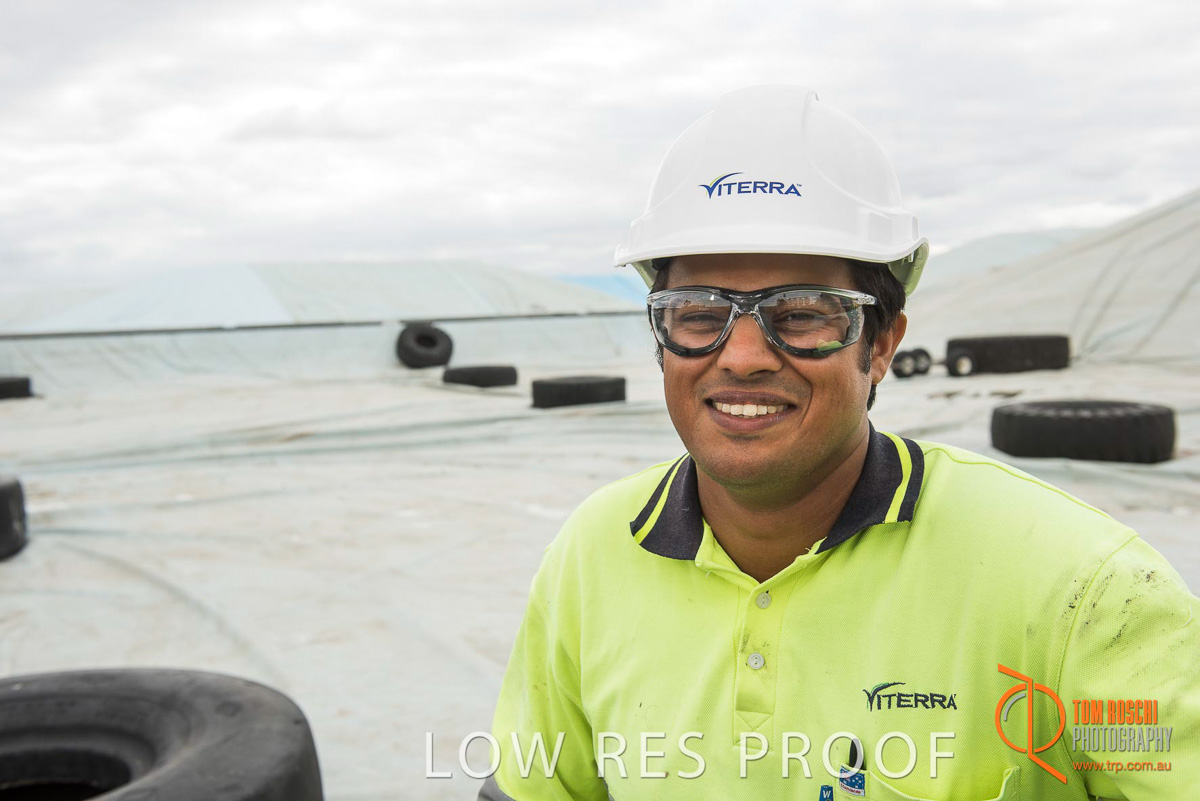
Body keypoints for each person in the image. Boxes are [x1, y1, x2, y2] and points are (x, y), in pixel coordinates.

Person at [478, 85, 1198, 800]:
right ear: (661, 336)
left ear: (880, 344)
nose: (742, 357)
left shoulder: (1081, 587)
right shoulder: (593, 554)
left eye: (800, 314)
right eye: (698, 313)